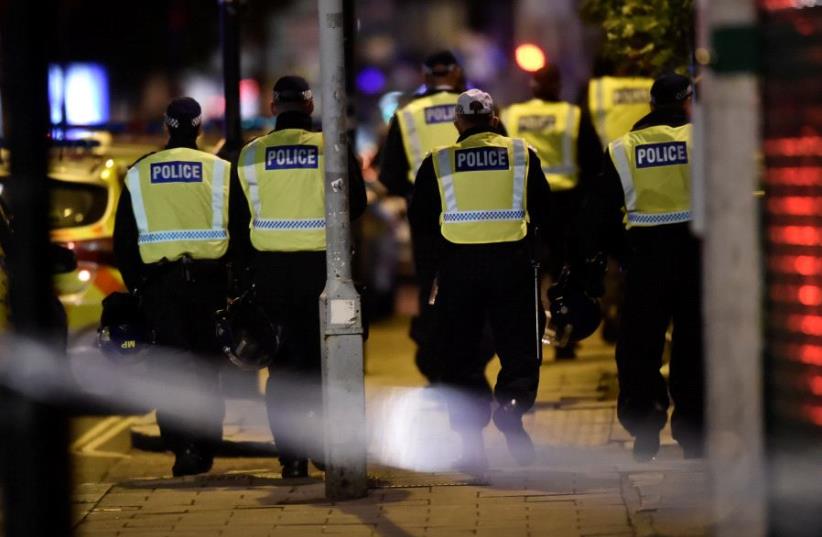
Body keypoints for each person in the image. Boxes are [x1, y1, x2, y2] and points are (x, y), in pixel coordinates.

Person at [408, 89, 552, 469]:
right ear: (495, 116)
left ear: (457, 121)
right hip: (513, 265)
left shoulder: (437, 162)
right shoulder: (522, 154)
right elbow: (547, 212)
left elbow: (420, 223)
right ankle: (512, 410)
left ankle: (471, 443)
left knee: (459, 354)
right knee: (520, 346)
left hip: (459, 269)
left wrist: (430, 275)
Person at [235, 76, 367, 479]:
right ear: (309, 107)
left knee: (283, 367)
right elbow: (357, 204)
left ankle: (291, 456)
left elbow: (240, 221)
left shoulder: (250, 155)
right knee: (324, 362)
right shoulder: (333, 148)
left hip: (271, 273)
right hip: (323, 271)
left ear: (274, 107)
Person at [575, 73, 702, 461]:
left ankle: (645, 427)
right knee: (694, 344)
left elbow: (599, 214)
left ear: (651, 105)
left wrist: (617, 254)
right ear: (686, 103)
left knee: (639, 347)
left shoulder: (622, 149)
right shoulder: (702, 140)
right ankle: (695, 432)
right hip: (696, 255)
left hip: (644, 258)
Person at [113, 97, 232, 476]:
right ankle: (205, 445)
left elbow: (124, 240)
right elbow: (239, 230)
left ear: (166, 127)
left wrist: (138, 287)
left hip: (159, 288)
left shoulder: (139, 172)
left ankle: (183, 447)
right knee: (207, 368)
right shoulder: (221, 171)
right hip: (209, 284)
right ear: (199, 128)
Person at [502, 64, 599, 359]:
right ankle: (565, 336)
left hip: (525, 203)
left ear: (532, 86)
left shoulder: (510, 115)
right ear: (558, 86)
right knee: (564, 273)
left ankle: (529, 337)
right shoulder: (573, 116)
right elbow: (592, 160)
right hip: (566, 204)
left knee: (530, 273)